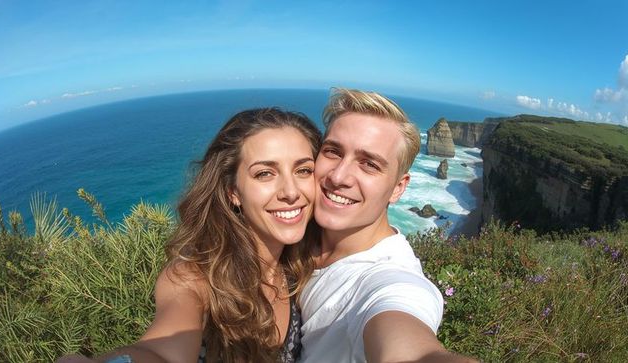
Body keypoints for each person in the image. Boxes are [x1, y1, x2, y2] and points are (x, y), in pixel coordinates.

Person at [59, 108, 321, 363]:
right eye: (265, 173)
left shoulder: (302, 264)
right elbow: (162, 352)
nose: (290, 191)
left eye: (303, 170)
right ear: (233, 192)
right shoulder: (195, 279)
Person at [299, 88, 477, 362]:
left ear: (398, 188)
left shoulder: (390, 279)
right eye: (333, 151)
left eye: (369, 164)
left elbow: (409, 340)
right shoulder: (295, 228)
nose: (339, 176)